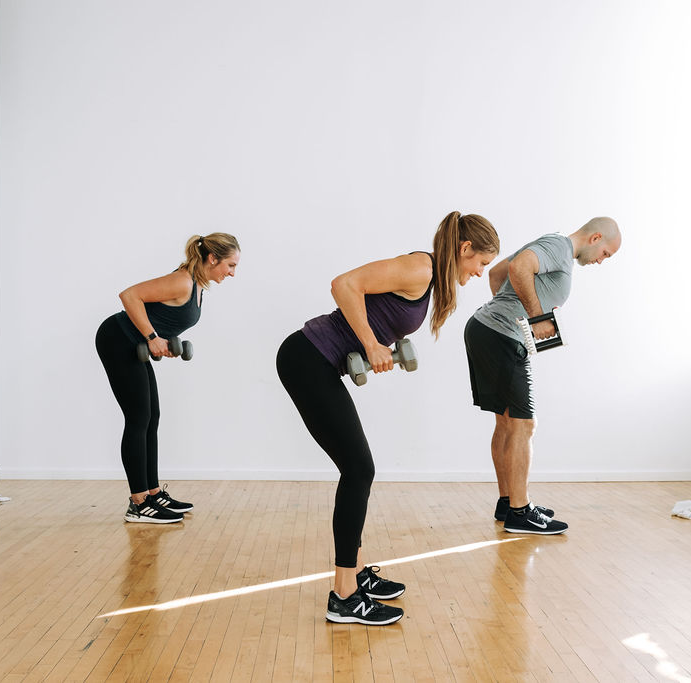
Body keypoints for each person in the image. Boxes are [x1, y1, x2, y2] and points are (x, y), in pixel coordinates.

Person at [276, 211, 499, 625]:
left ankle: (355, 575)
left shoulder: (430, 278)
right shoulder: (421, 267)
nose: (479, 272)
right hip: (305, 358)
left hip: (318, 363)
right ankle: (344, 596)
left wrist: (377, 345)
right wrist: (372, 342)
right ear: (465, 249)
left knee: (358, 469)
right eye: (480, 263)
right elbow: (344, 284)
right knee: (359, 470)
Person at [464, 217, 620, 534]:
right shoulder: (559, 247)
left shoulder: (555, 246)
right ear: (596, 238)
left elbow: (496, 273)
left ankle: (509, 502)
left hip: (488, 330)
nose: (602, 261)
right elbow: (519, 266)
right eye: (606, 253)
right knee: (524, 424)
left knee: (508, 422)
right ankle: (520, 512)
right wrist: (535, 318)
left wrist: (508, 311)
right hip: (500, 336)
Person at [95, 233, 240, 523]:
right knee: (138, 418)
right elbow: (129, 295)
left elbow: (162, 316)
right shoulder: (183, 281)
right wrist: (151, 337)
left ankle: (153, 492)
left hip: (132, 345)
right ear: (213, 259)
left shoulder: (198, 285)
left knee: (152, 416)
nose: (232, 273)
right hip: (117, 340)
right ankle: (138, 503)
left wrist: (161, 340)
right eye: (230, 265)